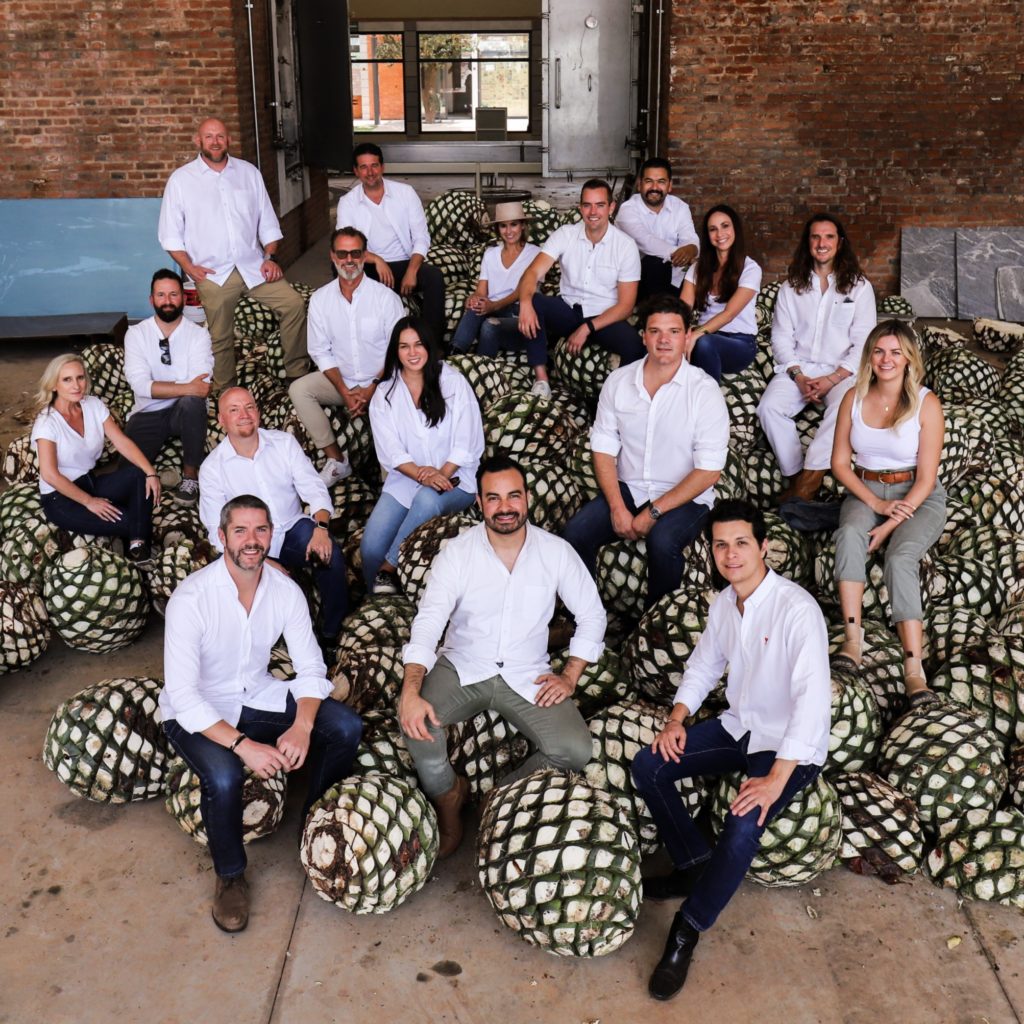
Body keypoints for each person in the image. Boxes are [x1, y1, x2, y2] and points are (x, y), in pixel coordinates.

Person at [631, 499, 831, 1001]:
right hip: (739, 726)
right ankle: (693, 860)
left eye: (742, 543)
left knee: (744, 824)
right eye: (721, 544)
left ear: (764, 547)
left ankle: (687, 928)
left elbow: (811, 703)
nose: (731, 554)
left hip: (786, 747)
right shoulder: (724, 604)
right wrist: (676, 719)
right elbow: (703, 666)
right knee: (649, 765)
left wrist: (775, 780)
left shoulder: (797, 610)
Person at [160, 494, 362, 933]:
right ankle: (230, 876)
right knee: (226, 776)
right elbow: (183, 693)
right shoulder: (191, 598)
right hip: (196, 713)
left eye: (260, 530)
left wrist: (303, 727)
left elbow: (311, 668)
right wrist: (244, 745)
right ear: (221, 537)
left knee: (345, 726)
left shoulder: (285, 592)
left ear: (272, 534)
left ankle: (312, 822)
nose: (252, 541)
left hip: (256, 694)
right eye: (240, 531)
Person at [399, 454, 606, 858]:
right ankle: (448, 796)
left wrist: (570, 675)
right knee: (413, 722)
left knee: (576, 749)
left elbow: (593, 615)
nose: (505, 506)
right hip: (463, 665)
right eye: (494, 498)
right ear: (479, 502)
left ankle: (501, 795)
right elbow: (428, 621)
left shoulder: (556, 552)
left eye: (514, 496)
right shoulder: (457, 553)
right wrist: (411, 690)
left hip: (527, 672)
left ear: (527, 498)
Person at [561, 295, 729, 609]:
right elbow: (603, 448)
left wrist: (654, 512)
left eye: (674, 331)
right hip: (631, 487)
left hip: (685, 496)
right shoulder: (618, 382)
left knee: (662, 541)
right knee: (576, 533)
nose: (664, 340)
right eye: (655, 331)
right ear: (643, 337)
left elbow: (709, 470)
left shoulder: (704, 392)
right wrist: (616, 507)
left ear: (687, 336)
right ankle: (583, 620)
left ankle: (654, 628)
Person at [831, 320, 945, 704]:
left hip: (916, 494)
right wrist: (877, 505)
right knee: (848, 534)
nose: (887, 359)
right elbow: (840, 464)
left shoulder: (926, 403)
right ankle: (852, 640)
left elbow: (927, 478)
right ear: (869, 356)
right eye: (879, 351)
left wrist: (890, 525)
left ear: (910, 358)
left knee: (899, 556)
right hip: (866, 489)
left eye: (896, 352)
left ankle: (914, 671)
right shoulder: (854, 397)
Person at [158, 116, 308, 391]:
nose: (215, 142)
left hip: (253, 266)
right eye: (209, 137)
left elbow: (267, 221)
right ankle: (226, 389)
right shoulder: (181, 180)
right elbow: (169, 235)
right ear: (198, 141)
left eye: (220, 136)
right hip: (213, 273)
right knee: (220, 336)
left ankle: (295, 374)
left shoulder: (248, 173)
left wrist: (270, 258)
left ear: (228, 140)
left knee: (294, 305)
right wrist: (190, 268)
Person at [198, 388, 348, 648]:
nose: (244, 415)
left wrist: (321, 528)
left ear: (258, 411)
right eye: (234, 410)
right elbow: (216, 530)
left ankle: (331, 635)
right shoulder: (213, 468)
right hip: (250, 542)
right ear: (221, 420)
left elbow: (313, 487)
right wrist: (263, 562)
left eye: (249, 407)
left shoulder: (283, 443)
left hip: (291, 526)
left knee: (330, 556)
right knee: (265, 594)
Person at [757, 212, 876, 502]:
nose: (822, 243)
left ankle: (809, 481)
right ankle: (795, 474)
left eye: (829, 237)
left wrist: (832, 378)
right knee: (769, 408)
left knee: (844, 410)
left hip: (842, 372)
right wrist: (798, 376)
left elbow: (864, 342)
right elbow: (781, 338)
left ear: (840, 243)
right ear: (807, 243)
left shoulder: (860, 288)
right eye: (815, 237)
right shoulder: (790, 288)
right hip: (800, 368)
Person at [362, 318, 484, 595]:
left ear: (429, 347)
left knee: (428, 499)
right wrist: (420, 473)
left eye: (418, 344)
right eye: (404, 346)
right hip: (406, 481)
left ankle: (388, 569)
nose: (412, 352)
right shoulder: (385, 394)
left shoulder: (452, 382)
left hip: (455, 479)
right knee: (370, 548)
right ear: (395, 351)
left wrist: (440, 474)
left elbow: (467, 443)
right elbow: (390, 451)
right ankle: (378, 602)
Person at [287, 226, 405, 487]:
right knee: (300, 389)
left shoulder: (386, 299)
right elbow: (320, 350)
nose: (349, 260)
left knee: (392, 441)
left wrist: (372, 389)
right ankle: (337, 460)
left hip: (384, 384)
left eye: (355, 253)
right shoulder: (320, 300)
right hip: (342, 381)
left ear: (364, 257)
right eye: (343, 254)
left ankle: (392, 489)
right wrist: (345, 389)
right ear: (332, 256)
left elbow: (398, 349)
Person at [31, 354, 160, 562]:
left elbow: (121, 442)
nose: (76, 385)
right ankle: (138, 539)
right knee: (131, 520)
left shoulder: (93, 405)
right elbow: (50, 475)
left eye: (80, 378)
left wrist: (151, 472)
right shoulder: (47, 423)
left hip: (89, 482)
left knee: (138, 475)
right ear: (54, 385)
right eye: (67, 379)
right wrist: (89, 502)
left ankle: (136, 546)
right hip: (60, 498)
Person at [517, 179, 644, 366]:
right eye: (587, 205)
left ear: (611, 207)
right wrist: (525, 303)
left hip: (603, 317)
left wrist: (587, 328)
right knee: (535, 302)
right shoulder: (565, 234)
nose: (593, 212)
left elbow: (625, 306)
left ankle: (620, 392)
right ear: (580, 208)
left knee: (634, 346)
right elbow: (532, 272)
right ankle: (541, 379)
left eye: (600, 205)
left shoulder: (625, 246)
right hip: (569, 310)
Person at [333, 142, 446, 342]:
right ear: (356, 171)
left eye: (374, 165)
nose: (370, 172)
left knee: (434, 276)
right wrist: (376, 259)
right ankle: (356, 341)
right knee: (342, 270)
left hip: (403, 262)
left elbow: (421, 236)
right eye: (364, 167)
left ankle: (432, 344)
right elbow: (345, 245)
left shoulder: (405, 193)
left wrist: (412, 270)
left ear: (383, 167)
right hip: (367, 266)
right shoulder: (348, 202)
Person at [122, 268, 214, 508]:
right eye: (161, 295)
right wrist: (186, 386)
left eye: (174, 294)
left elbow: (201, 389)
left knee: (192, 403)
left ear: (183, 297)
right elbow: (140, 386)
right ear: (152, 300)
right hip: (147, 413)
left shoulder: (198, 335)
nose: (168, 301)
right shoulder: (136, 334)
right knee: (126, 479)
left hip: (184, 412)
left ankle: (190, 476)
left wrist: (166, 388)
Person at [450, 202, 547, 395]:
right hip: (493, 308)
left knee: (489, 325)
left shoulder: (535, 253)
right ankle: (453, 359)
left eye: (514, 224)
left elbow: (526, 292)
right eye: (503, 226)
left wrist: (493, 306)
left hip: (520, 317)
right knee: (475, 307)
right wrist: (475, 298)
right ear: (497, 229)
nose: (509, 231)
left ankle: (479, 374)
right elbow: (481, 290)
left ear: (523, 226)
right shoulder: (490, 254)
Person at [679, 204, 761, 383]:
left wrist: (696, 334)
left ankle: (710, 406)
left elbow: (729, 313)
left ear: (735, 229)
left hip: (740, 342)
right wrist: (678, 335)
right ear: (707, 236)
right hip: (703, 336)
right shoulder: (697, 268)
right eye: (713, 229)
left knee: (705, 344)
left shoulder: (750, 268)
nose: (720, 234)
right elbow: (682, 309)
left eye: (725, 226)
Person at [615, 158, 699, 300]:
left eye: (661, 182)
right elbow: (647, 242)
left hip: (674, 278)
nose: (654, 187)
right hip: (635, 281)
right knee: (655, 264)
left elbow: (689, 236)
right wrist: (683, 254)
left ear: (669, 186)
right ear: (639, 185)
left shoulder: (680, 207)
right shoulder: (627, 210)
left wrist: (692, 248)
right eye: (648, 181)